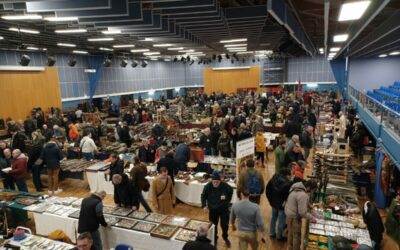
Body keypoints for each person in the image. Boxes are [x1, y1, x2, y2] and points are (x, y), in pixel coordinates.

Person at [201, 172, 233, 247]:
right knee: (213, 225)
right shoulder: (208, 186)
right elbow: (203, 196)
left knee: (225, 225)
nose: (215, 183)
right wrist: (204, 206)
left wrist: (227, 201)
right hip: (213, 210)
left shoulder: (225, 186)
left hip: (224, 210)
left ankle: (225, 237)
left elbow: (231, 191)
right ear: (211, 181)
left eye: (217, 182)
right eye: (214, 182)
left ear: (220, 181)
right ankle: (215, 238)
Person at [285, 180, 318, 250]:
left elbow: (299, 200)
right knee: (297, 236)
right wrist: (312, 218)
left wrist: (309, 205)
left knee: (290, 234)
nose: (312, 192)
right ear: (309, 187)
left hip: (289, 214)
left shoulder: (296, 188)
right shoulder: (303, 195)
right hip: (294, 217)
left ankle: (289, 247)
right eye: (312, 190)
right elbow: (302, 213)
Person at [266, 168, 292, 241]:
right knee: (281, 221)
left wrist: (270, 201)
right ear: (287, 175)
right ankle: (279, 236)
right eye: (290, 175)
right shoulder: (287, 184)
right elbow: (288, 196)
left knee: (273, 218)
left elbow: (267, 190)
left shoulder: (273, 179)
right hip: (282, 205)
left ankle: (272, 233)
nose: (291, 177)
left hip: (273, 203)